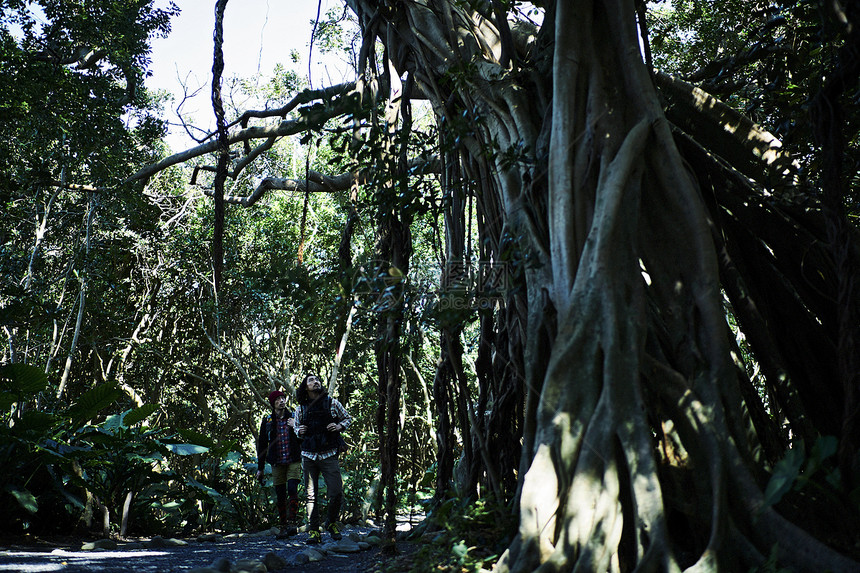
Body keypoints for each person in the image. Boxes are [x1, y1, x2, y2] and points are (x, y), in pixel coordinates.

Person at [294, 373, 352, 544]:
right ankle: (313, 531)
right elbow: (296, 428)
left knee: (336, 492)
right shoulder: (300, 409)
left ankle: (331, 523)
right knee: (311, 496)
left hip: (329, 454)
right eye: (311, 380)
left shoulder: (332, 403)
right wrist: (299, 431)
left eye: (317, 380)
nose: (315, 382)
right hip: (308, 455)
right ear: (305, 387)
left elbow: (348, 418)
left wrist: (339, 425)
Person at [256, 390, 302, 538]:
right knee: (280, 493)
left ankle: (292, 522)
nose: (282, 401)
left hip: (293, 459)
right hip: (277, 462)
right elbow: (262, 445)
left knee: (292, 488)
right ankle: (283, 525)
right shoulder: (268, 421)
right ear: (273, 403)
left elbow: (304, 437)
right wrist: (260, 468)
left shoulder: (294, 417)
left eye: (283, 398)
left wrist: (295, 426)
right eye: (278, 399)